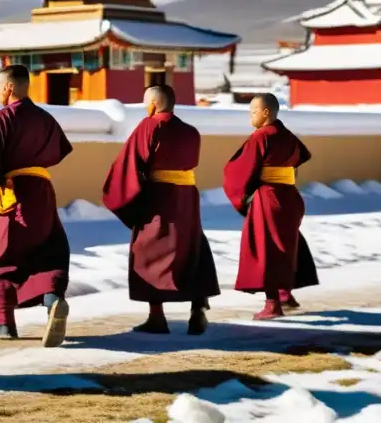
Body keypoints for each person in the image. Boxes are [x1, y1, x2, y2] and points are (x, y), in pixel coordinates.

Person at [0, 64, 73, 346]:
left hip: (11, 194)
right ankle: (52, 301)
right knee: (48, 249)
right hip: (41, 190)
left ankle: (6, 323)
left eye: (0, 87)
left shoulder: (0, 120)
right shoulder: (45, 118)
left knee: (4, 256)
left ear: (9, 87)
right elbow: (61, 150)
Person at [102, 84, 220, 335]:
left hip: (160, 197)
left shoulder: (150, 126)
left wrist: (123, 197)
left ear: (153, 104)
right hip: (188, 196)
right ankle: (197, 309)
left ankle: (157, 317)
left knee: (150, 250)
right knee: (190, 246)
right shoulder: (191, 132)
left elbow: (128, 164)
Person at [223, 92, 319, 320]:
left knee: (266, 249)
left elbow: (238, 171)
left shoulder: (260, 137)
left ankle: (272, 304)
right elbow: (297, 161)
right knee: (284, 245)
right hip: (290, 197)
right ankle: (285, 294)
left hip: (269, 198)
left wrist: (245, 194)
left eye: (254, 112)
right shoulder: (288, 136)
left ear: (266, 112)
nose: (251, 117)